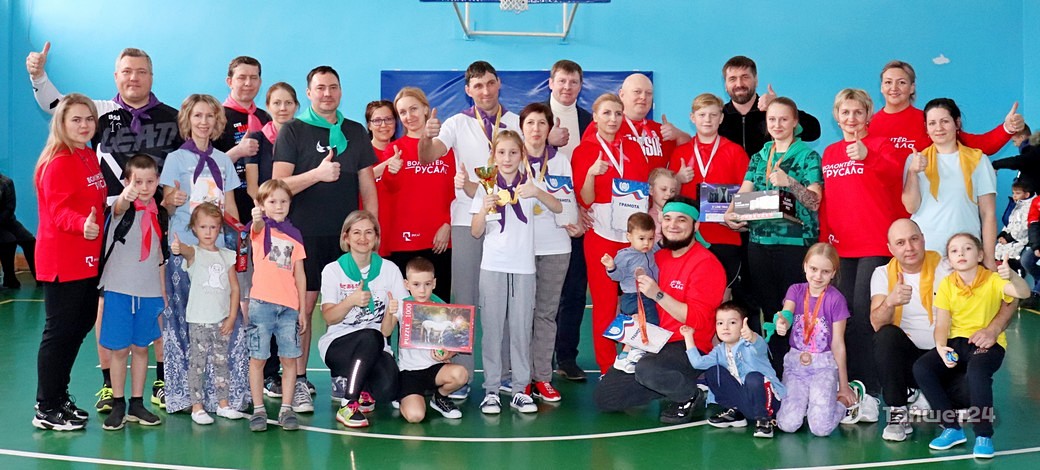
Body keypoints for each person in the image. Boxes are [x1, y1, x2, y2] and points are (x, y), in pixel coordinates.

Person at [27, 44, 181, 413]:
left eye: (141, 71)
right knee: (94, 314)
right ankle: (91, 391)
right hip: (99, 236)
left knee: (146, 305)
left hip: (147, 229)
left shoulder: (171, 119)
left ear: (152, 76)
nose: (134, 77)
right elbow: (57, 104)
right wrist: (38, 76)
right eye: (126, 71)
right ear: (116, 76)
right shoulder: (95, 116)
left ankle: (156, 382)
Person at [274, 65, 379, 398]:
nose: (327, 93)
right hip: (303, 238)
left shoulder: (355, 132)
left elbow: (368, 187)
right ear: (309, 93)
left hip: (346, 240)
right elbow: (277, 186)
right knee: (302, 310)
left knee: (351, 308)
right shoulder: (293, 131)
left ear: (341, 91)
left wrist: (370, 234)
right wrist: (316, 175)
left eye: (333, 87)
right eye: (320, 88)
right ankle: (298, 379)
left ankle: (346, 377)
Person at [418, 61, 521, 396]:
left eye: (490, 83)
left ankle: (503, 373)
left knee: (504, 299)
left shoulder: (516, 122)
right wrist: (426, 135)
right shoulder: (456, 123)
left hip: (508, 221)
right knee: (464, 300)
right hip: (467, 218)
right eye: (478, 85)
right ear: (468, 90)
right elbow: (428, 156)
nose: (485, 91)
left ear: (499, 83)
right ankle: (460, 371)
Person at [594, 197, 725, 424]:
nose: (672, 225)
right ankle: (666, 382)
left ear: (696, 226)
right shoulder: (654, 257)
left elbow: (698, 320)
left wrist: (657, 294)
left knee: (647, 369)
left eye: (681, 220)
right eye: (667, 219)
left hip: (686, 343)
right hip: (652, 340)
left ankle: (689, 394)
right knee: (607, 397)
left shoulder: (706, 264)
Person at [869, 218, 997, 442]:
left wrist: (993, 329)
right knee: (886, 336)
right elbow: (876, 323)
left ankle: (933, 399)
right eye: (900, 243)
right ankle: (898, 411)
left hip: (948, 356)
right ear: (890, 249)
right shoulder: (882, 273)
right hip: (910, 360)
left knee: (971, 391)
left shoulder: (948, 266)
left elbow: (1005, 297)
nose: (909, 247)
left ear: (923, 240)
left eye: (914, 239)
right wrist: (890, 301)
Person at [159, 94, 248, 414]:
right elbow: (167, 205)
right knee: (188, 321)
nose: (203, 122)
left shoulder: (223, 161)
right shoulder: (174, 160)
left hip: (218, 253)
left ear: (217, 121)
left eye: (209, 116)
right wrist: (172, 201)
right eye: (197, 116)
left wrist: (239, 241)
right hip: (186, 252)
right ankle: (187, 395)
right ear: (188, 119)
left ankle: (223, 394)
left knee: (223, 319)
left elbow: (230, 207)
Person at [466, 131, 562, 414]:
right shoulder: (486, 188)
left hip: (523, 269)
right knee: (492, 331)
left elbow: (558, 207)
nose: (507, 158)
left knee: (521, 330)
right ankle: (492, 391)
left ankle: (520, 389)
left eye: (513, 153)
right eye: (501, 153)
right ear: (493, 157)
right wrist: (483, 210)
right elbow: (475, 232)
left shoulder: (531, 184)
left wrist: (538, 193)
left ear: (522, 155)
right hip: (493, 267)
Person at [724, 97, 823, 374]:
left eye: (783, 119)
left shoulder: (807, 156)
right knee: (768, 309)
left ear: (795, 122)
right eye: (772, 120)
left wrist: (789, 181)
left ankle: (802, 367)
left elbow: (814, 201)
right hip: (760, 243)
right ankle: (775, 368)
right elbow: (745, 190)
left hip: (796, 245)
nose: (777, 124)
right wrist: (731, 213)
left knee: (795, 309)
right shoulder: (760, 156)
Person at [913, 233, 1029, 459]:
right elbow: (942, 323)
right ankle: (952, 428)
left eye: (967, 248)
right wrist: (941, 347)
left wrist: (1013, 276)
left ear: (980, 255)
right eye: (954, 251)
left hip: (987, 344)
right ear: (949, 260)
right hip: (957, 343)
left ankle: (983, 435)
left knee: (977, 371)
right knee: (922, 368)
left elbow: (1022, 292)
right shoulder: (947, 284)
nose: (961, 254)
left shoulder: (993, 280)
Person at [818, 88, 903, 393]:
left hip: (875, 244)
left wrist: (869, 157)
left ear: (868, 114)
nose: (851, 118)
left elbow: (895, 176)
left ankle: (872, 382)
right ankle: (850, 379)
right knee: (844, 314)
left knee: (866, 312)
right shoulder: (830, 153)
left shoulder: (881, 145)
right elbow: (828, 201)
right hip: (841, 246)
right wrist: (824, 244)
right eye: (845, 112)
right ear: (836, 116)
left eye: (858, 112)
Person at [32, 94, 106, 431]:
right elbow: (59, 210)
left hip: (88, 258)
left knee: (80, 325)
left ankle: (59, 397)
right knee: (60, 332)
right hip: (63, 259)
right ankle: (46, 406)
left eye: (89, 119)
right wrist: (82, 225)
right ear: (61, 122)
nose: (84, 125)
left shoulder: (87, 155)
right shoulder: (58, 161)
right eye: (76, 119)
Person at [571, 93, 651, 374]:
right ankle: (607, 367)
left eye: (618, 113)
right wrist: (591, 173)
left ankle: (637, 360)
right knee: (604, 305)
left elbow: (643, 191)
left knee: (639, 301)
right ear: (594, 117)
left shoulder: (634, 147)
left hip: (633, 239)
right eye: (606, 113)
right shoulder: (584, 150)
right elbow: (585, 200)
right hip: (601, 237)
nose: (613, 119)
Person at [98, 155, 168, 430]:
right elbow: (119, 205)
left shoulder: (160, 213)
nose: (144, 187)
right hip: (119, 290)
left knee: (141, 349)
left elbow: (159, 256)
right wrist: (126, 196)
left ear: (158, 181)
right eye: (137, 182)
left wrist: (162, 294)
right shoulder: (120, 209)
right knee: (120, 350)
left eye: (150, 181)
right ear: (126, 181)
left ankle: (137, 403)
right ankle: (118, 403)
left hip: (149, 292)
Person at [319, 210, 406, 428]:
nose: (363, 238)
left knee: (388, 390)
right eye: (356, 232)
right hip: (338, 344)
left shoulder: (390, 270)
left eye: (369, 232)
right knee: (370, 336)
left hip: (376, 344)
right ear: (346, 237)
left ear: (376, 238)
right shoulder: (333, 270)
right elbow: (329, 317)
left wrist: (391, 313)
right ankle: (348, 403)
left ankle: (363, 385)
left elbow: (386, 332)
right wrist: (350, 301)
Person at [245, 82, 299, 400]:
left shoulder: (300, 135)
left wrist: (284, 217)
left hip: (290, 226)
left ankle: (280, 374)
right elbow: (254, 186)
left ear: (296, 106)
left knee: (286, 297)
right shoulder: (257, 138)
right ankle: (264, 374)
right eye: (276, 103)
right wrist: (266, 217)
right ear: (268, 106)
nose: (282, 108)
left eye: (288, 102)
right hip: (264, 224)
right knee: (265, 298)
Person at [519, 103, 576, 402]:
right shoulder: (511, 159)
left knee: (545, 314)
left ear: (550, 128)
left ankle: (541, 376)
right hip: (520, 249)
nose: (536, 129)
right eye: (530, 123)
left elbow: (567, 205)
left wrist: (574, 221)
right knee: (520, 315)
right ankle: (519, 377)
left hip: (556, 246)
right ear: (521, 127)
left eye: (542, 123)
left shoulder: (561, 161)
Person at [169, 203, 245, 425]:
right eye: (203, 227)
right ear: (194, 228)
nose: (208, 232)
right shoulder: (195, 253)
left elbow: (235, 289)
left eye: (213, 227)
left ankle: (223, 404)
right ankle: (197, 407)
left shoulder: (227, 256)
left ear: (220, 228)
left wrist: (232, 317)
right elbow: (185, 250)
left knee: (222, 362)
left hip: (221, 321)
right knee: (197, 364)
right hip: (199, 321)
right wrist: (178, 246)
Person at [773, 243, 858, 437]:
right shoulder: (795, 290)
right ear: (805, 266)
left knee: (821, 429)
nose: (818, 276)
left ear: (833, 273)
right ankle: (806, 404)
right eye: (813, 269)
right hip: (795, 365)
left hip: (824, 366)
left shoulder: (836, 300)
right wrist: (782, 321)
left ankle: (840, 403)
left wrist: (844, 386)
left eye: (825, 271)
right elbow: (787, 311)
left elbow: (838, 344)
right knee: (787, 425)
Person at [671, 93, 749, 303]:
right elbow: (668, 196)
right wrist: (677, 179)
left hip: (725, 237)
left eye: (713, 115)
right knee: (689, 297)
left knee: (722, 299)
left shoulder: (735, 152)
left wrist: (737, 219)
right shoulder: (680, 152)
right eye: (702, 114)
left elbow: (747, 195)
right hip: (689, 238)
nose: (707, 120)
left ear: (721, 118)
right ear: (692, 117)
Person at [902, 98, 998, 269]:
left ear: (957, 123)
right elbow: (910, 207)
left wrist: (989, 258)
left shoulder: (979, 160)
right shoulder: (915, 160)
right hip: (925, 251)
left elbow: (988, 213)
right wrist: (912, 172)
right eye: (932, 123)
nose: (938, 128)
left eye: (945, 121)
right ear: (926, 128)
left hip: (964, 252)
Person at [245, 179, 307, 432]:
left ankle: (286, 408)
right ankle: (259, 409)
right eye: (272, 201)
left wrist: (302, 309)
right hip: (261, 305)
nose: (279, 206)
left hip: (289, 308)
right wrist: (257, 218)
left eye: (283, 201)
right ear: (261, 205)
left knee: (289, 358)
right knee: (258, 358)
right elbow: (257, 225)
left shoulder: (295, 235)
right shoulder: (260, 229)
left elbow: (299, 274)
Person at [545, 59, 594, 383]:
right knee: (541, 293)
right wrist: (547, 139)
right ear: (551, 82)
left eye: (573, 82)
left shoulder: (589, 121)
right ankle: (537, 358)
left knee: (574, 292)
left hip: (578, 219)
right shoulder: (533, 118)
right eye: (562, 80)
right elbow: (518, 158)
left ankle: (566, 357)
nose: (567, 87)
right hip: (539, 218)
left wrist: (583, 208)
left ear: (580, 85)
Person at [382, 88, 453, 302]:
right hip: (404, 243)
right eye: (402, 112)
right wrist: (391, 172)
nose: (409, 116)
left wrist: (448, 223)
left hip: (440, 241)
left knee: (439, 308)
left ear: (425, 109)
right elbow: (389, 190)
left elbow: (456, 192)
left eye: (413, 109)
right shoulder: (394, 149)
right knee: (404, 309)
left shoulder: (445, 148)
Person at [868, 60, 1021, 160]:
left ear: (912, 88)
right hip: (879, 201)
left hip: (922, 200)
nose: (894, 88)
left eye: (901, 82)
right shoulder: (868, 124)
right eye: (888, 82)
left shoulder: (930, 121)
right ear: (881, 87)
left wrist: (1007, 128)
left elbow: (982, 144)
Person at [682, 301, 784, 438]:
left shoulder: (750, 344)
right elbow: (698, 363)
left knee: (753, 377)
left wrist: (752, 336)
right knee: (713, 371)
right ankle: (735, 413)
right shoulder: (719, 350)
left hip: (768, 401)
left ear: (743, 325)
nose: (725, 327)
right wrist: (688, 337)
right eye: (720, 323)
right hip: (745, 402)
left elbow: (760, 346)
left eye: (732, 322)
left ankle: (764, 420)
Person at [390, 257, 467, 423]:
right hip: (410, 372)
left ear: (434, 283)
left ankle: (439, 397)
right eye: (416, 284)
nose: (422, 290)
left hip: (435, 369)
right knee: (415, 416)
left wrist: (448, 354)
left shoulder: (442, 307)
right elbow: (385, 331)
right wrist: (390, 312)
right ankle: (402, 396)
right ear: (406, 284)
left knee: (461, 374)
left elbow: (453, 344)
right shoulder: (402, 306)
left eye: (427, 284)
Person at [717, 56, 821, 156]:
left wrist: (778, 107)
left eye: (745, 77)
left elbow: (813, 132)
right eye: (732, 79)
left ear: (756, 80)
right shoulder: (717, 117)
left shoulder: (772, 111)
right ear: (725, 85)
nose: (739, 84)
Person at [600, 212, 660, 373]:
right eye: (641, 238)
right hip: (633, 296)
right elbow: (617, 276)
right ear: (629, 237)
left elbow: (662, 245)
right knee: (649, 321)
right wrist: (611, 267)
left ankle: (624, 355)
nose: (646, 243)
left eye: (650, 238)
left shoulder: (650, 251)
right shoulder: (624, 255)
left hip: (647, 295)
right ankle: (635, 351)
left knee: (641, 323)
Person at [581, 74, 678, 169]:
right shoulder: (604, 126)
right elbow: (585, 162)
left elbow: (682, 153)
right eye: (637, 92)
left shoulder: (661, 130)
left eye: (648, 93)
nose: (643, 97)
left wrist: (678, 134)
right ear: (622, 94)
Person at [367, 100, 398, 258]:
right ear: (369, 125)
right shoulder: (361, 154)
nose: (384, 125)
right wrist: (387, 164)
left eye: (388, 119)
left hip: (400, 233)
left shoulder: (404, 150)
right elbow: (358, 181)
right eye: (377, 120)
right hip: (371, 232)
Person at [0, 171, 37, 288]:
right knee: (9, 241)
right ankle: (9, 278)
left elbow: (10, 208)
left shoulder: (6, 182)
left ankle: (39, 277)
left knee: (29, 240)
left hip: (7, 221)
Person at [995, 179, 1033, 275]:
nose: (1014, 196)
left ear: (1027, 194)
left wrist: (1008, 238)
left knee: (1012, 261)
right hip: (1008, 240)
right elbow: (1010, 221)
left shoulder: (1030, 207)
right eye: (1013, 193)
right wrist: (1003, 234)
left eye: (1018, 193)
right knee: (999, 256)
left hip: (1019, 241)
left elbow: (1024, 227)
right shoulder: (1017, 205)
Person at [646, 169, 678, 244]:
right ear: (651, 190)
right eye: (664, 189)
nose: (669, 194)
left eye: (672, 191)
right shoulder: (646, 218)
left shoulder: (678, 216)